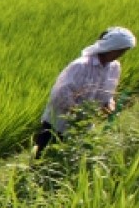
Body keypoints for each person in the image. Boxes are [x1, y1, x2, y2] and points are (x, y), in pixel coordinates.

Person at [33, 26, 136, 159]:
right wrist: (78, 112)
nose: (121, 54)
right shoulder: (81, 65)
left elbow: (108, 93)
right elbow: (60, 93)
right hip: (58, 123)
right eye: (119, 50)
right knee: (41, 157)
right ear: (109, 47)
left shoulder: (114, 67)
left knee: (69, 159)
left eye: (124, 51)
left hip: (84, 126)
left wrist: (109, 104)